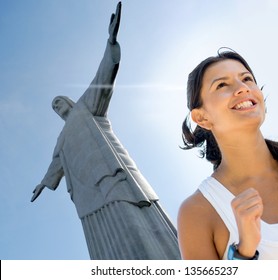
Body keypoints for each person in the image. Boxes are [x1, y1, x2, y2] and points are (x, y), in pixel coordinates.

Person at [31, 2, 180, 260]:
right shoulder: (61, 140)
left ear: (69, 102)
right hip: (87, 195)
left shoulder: (86, 108)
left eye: (59, 101)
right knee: (104, 242)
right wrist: (44, 183)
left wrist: (110, 44)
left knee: (134, 223)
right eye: (54, 106)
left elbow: (103, 80)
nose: (57, 106)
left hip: (111, 176)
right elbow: (56, 166)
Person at [177, 49, 278, 260]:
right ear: (202, 117)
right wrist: (243, 254)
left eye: (247, 79)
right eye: (222, 85)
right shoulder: (198, 212)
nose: (242, 88)